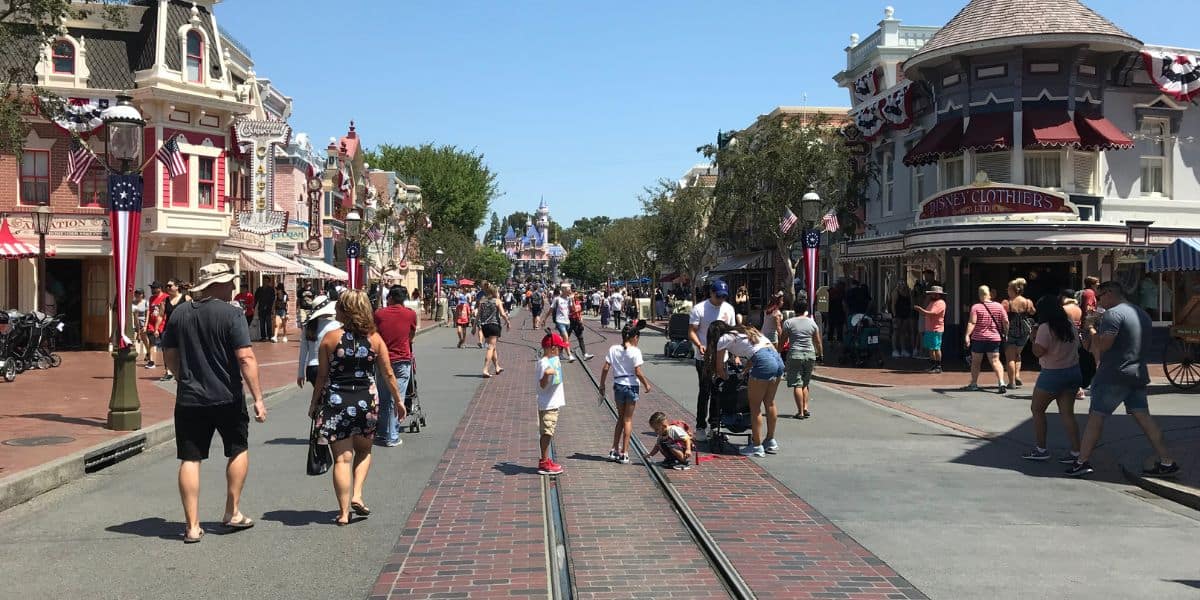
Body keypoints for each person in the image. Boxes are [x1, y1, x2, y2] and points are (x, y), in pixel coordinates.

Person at [160, 263, 266, 543]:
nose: (233, 287)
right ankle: (232, 512)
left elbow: (169, 354)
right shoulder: (232, 314)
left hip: (189, 397)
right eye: (230, 283)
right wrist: (258, 397)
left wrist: (182, 376)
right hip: (227, 396)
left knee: (190, 458)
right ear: (216, 285)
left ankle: (192, 526)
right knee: (238, 449)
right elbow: (245, 357)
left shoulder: (180, 313)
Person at [309, 290, 405, 525]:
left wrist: (314, 403)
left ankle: (343, 513)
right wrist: (398, 401)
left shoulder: (330, 338)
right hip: (366, 401)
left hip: (336, 401)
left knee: (342, 458)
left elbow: (321, 376)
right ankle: (358, 494)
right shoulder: (375, 338)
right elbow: (388, 373)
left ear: (345, 310)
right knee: (364, 451)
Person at [1066, 282, 1180, 478]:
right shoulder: (1141, 314)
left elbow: (1103, 345)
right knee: (1144, 418)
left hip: (1113, 374)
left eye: (1100, 297)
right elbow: (1090, 346)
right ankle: (1167, 461)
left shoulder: (1113, 314)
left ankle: (1082, 461)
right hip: (1137, 372)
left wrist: (1092, 327)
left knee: (1096, 418)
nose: (1098, 301)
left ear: (1109, 293)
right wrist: (1089, 329)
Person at [707, 320, 785, 457]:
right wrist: (744, 371)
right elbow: (755, 353)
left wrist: (727, 380)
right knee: (770, 402)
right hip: (777, 359)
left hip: (763, 361)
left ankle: (757, 446)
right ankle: (770, 440)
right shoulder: (745, 331)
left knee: (754, 407)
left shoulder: (723, 338)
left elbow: (719, 368)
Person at [1022, 297, 1082, 462]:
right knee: (1067, 413)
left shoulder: (1045, 328)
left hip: (1052, 373)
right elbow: (1078, 345)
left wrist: (1033, 337)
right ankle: (1076, 452)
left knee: (1037, 409)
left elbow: (1038, 352)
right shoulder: (1069, 324)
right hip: (1072, 371)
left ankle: (1041, 449)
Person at [687, 280, 737, 441]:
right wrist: (699, 344)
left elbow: (732, 333)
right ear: (711, 293)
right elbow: (692, 331)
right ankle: (701, 426)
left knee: (719, 392)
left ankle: (715, 425)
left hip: (723, 357)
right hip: (704, 357)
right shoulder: (699, 309)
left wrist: (735, 354)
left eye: (723, 296)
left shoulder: (728, 309)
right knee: (705, 391)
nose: (720, 299)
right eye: (718, 296)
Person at [601, 320, 652, 464]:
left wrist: (602, 385)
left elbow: (605, 368)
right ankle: (625, 452)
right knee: (628, 419)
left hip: (618, 385)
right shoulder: (635, 351)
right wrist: (646, 385)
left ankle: (613, 449)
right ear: (634, 337)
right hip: (631, 385)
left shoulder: (613, 349)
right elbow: (638, 371)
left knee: (620, 418)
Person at [374, 287, 418, 447]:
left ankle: (382, 432)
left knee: (384, 398)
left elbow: (374, 333)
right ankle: (392, 435)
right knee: (396, 398)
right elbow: (411, 335)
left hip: (382, 360)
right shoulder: (410, 314)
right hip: (401, 359)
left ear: (390, 297)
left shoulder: (379, 314)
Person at [780, 296, 823, 420]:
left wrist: (777, 352)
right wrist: (820, 354)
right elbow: (818, 341)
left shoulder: (789, 323)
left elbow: (783, 340)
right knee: (805, 382)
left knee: (797, 384)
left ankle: (800, 412)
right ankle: (805, 407)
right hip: (810, 354)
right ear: (806, 309)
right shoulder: (812, 322)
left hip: (795, 354)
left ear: (794, 309)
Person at [964, 285, 1009, 393]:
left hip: (978, 338)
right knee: (995, 361)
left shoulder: (976, 307)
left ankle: (974, 383)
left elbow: (972, 322)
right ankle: (1001, 382)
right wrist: (1006, 333)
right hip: (994, 338)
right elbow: (1006, 322)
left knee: (976, 362)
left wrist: (967, 335)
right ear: (989, 294)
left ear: (980, 294)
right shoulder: (999, 306)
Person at [536, 331, 569, 475]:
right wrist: (546, 374)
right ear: (553, 348)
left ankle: (546, 459)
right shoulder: (544, 364)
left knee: (549, 432)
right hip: (548, 404)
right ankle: (544, 462)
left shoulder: (552, 360)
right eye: (560, 349)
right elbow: (542, 385)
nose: (561, 352)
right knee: (547, 433)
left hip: (552, 403)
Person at [297, 295, 339, 388]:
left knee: (318, 395)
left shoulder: (307, 327)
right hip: (327, 367)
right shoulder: (335, 325)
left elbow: (303, 353)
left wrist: (300, 373)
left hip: (311, 368)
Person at [1002, 278, 1036, 389]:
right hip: (1024, 332)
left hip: (1010, 331)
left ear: (1012, 290)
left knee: (1010, 358)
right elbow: (1032, 312)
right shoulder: (1027, 301)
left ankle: (1011, 382)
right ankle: (1017, 376)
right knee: (1018, 354)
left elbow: (1002, 316)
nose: (1007, 290)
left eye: (1008, 288)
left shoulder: (1007, 303)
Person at [477, 282, 511, 378]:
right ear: (495, 292)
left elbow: (478, 315)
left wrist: (475, 326)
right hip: (494, 326)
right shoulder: (497, 301)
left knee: (493, 347)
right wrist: (508, 322)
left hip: (485, 327)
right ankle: (485, 369)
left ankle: (497, 367)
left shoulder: (482, 301)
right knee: (490, 347)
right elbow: (503, 314)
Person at [914, 286, 947, 373]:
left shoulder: (940, 303)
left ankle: (938, 366)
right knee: (931, 348)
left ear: (938, 294)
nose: (931, 295)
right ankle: (933, 365)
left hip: (936, 329)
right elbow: (926, 313)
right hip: (929, 328)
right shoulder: (931, 302)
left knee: (936, 348)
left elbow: (931, 313)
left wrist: (920, 310)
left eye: (933, 293)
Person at [541, 284, 576, 362]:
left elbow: (573, 309)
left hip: (567, 321)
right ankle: (570, 355)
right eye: (569, 289)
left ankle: (558, 353)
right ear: (563, 290)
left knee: (562, 339)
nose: (570, 290)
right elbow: (551, 310)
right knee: (566, 338)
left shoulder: (569, 299)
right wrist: (545, 319)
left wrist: (573, 300)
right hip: (559, 321)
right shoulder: (557, 299)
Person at [160, 280, 187, 382]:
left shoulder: (186, 298)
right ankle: (169, 372)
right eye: (166, 286)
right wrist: (157, 328)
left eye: (170, 286)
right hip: (169, 329)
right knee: (167, 351)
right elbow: (160, 316)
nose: (167, 288)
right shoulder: (165, 301)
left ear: (177, 287)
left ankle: (183, 371)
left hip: (183, 329)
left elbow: (193, 312)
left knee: (182, 350)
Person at [568, 290, 593, 360]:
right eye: (575, 294)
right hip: (570, 321)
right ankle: (560, 353)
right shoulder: (570, 303)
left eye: (577, 294)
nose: (577, 295)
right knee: (566, 337)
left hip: (577, 321)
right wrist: (572, 300)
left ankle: (584, 354)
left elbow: (579, 312)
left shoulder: (578, 302)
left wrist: (581, 320)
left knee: (580, 337)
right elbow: (574, 309)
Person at [890, 282, 914, 358]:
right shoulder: (895, 292)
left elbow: (911, 303)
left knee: (903, 332)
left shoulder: (907, 293)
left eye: (904, 284)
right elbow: (893, 304)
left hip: (906, 314)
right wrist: (894, 316)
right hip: (898, 315)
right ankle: (895, 350)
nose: (902, 285)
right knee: (896, 331)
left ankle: (903, 350)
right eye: (900, 283)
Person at [131, 289, 149, 363]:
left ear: (142, 294)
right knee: (133, 340)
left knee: (145, 340)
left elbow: (147, 315)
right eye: (136, 293)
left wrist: (145, 325)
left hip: (142, 323)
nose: (137, 295)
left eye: (139, 293)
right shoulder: (132, 303)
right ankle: (134, 355)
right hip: (134, 323)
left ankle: (148, 353)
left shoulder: (145, 303)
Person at [145, 302, 164, 369]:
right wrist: (146, 325)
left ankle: (167, 363)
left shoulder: (165, 297)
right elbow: (148, 312)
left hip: (162, 325)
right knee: (151, 343)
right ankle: (151, 362)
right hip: (151, 326)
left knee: (165, 346)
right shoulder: (151, 299)